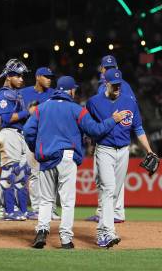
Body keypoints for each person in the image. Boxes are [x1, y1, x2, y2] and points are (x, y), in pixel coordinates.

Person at [23, 75, 128, 249]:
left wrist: (37, 149)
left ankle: (41, 231)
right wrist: (113, 120)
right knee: (67, 201)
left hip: (46, 157)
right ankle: (65, 239)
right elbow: (95, 130)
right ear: (70, 90)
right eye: (74, 89)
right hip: (66, 158)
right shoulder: (76, 109)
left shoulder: (42, 108)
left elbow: (27, 131)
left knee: (46, 200)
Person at [86, 68, 155, 248]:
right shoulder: (94, 102)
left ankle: (104, 231)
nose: (117, 87)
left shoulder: (129, 101)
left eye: (119, 84)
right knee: (108, 189)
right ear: (106, 84)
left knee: (115, 193)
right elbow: (89, 128)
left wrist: (149, 150)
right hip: (104, 150)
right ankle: (105, 233)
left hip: (124, 151)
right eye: (114, 84)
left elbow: (138, 128)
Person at [86, 55, 134, 223]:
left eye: (111, 67)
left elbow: (129, 113)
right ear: (102, 69)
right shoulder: (112, 86)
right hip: (110, 137)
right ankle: (114, 212)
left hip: (110, 139)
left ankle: (108, 213)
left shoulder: (119, 86)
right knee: (112, 181)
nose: (108, 70)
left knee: (105, 180)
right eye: (106, 68)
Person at [0, 58, 35, 221]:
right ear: (9, 76)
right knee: (9, 173)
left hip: (19, 135)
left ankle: (22, 210)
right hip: (9, 133)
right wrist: (28, 112)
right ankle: (7, 210)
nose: (21, 79)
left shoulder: (16, 94)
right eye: (18, 76)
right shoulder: (4, 94)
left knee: (22, 174)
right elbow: (6, 118)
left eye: (21, 76)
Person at [19, 66, 58, 220]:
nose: (49, 79)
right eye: (46, 77)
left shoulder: (54, 93)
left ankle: (52, 209)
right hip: (32, 137)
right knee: (34, 174)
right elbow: (18, 115)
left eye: (50, 77)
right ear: (38, 77)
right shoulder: (23, 93)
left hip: (50, 137)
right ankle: (36, 209)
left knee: (52, 174)